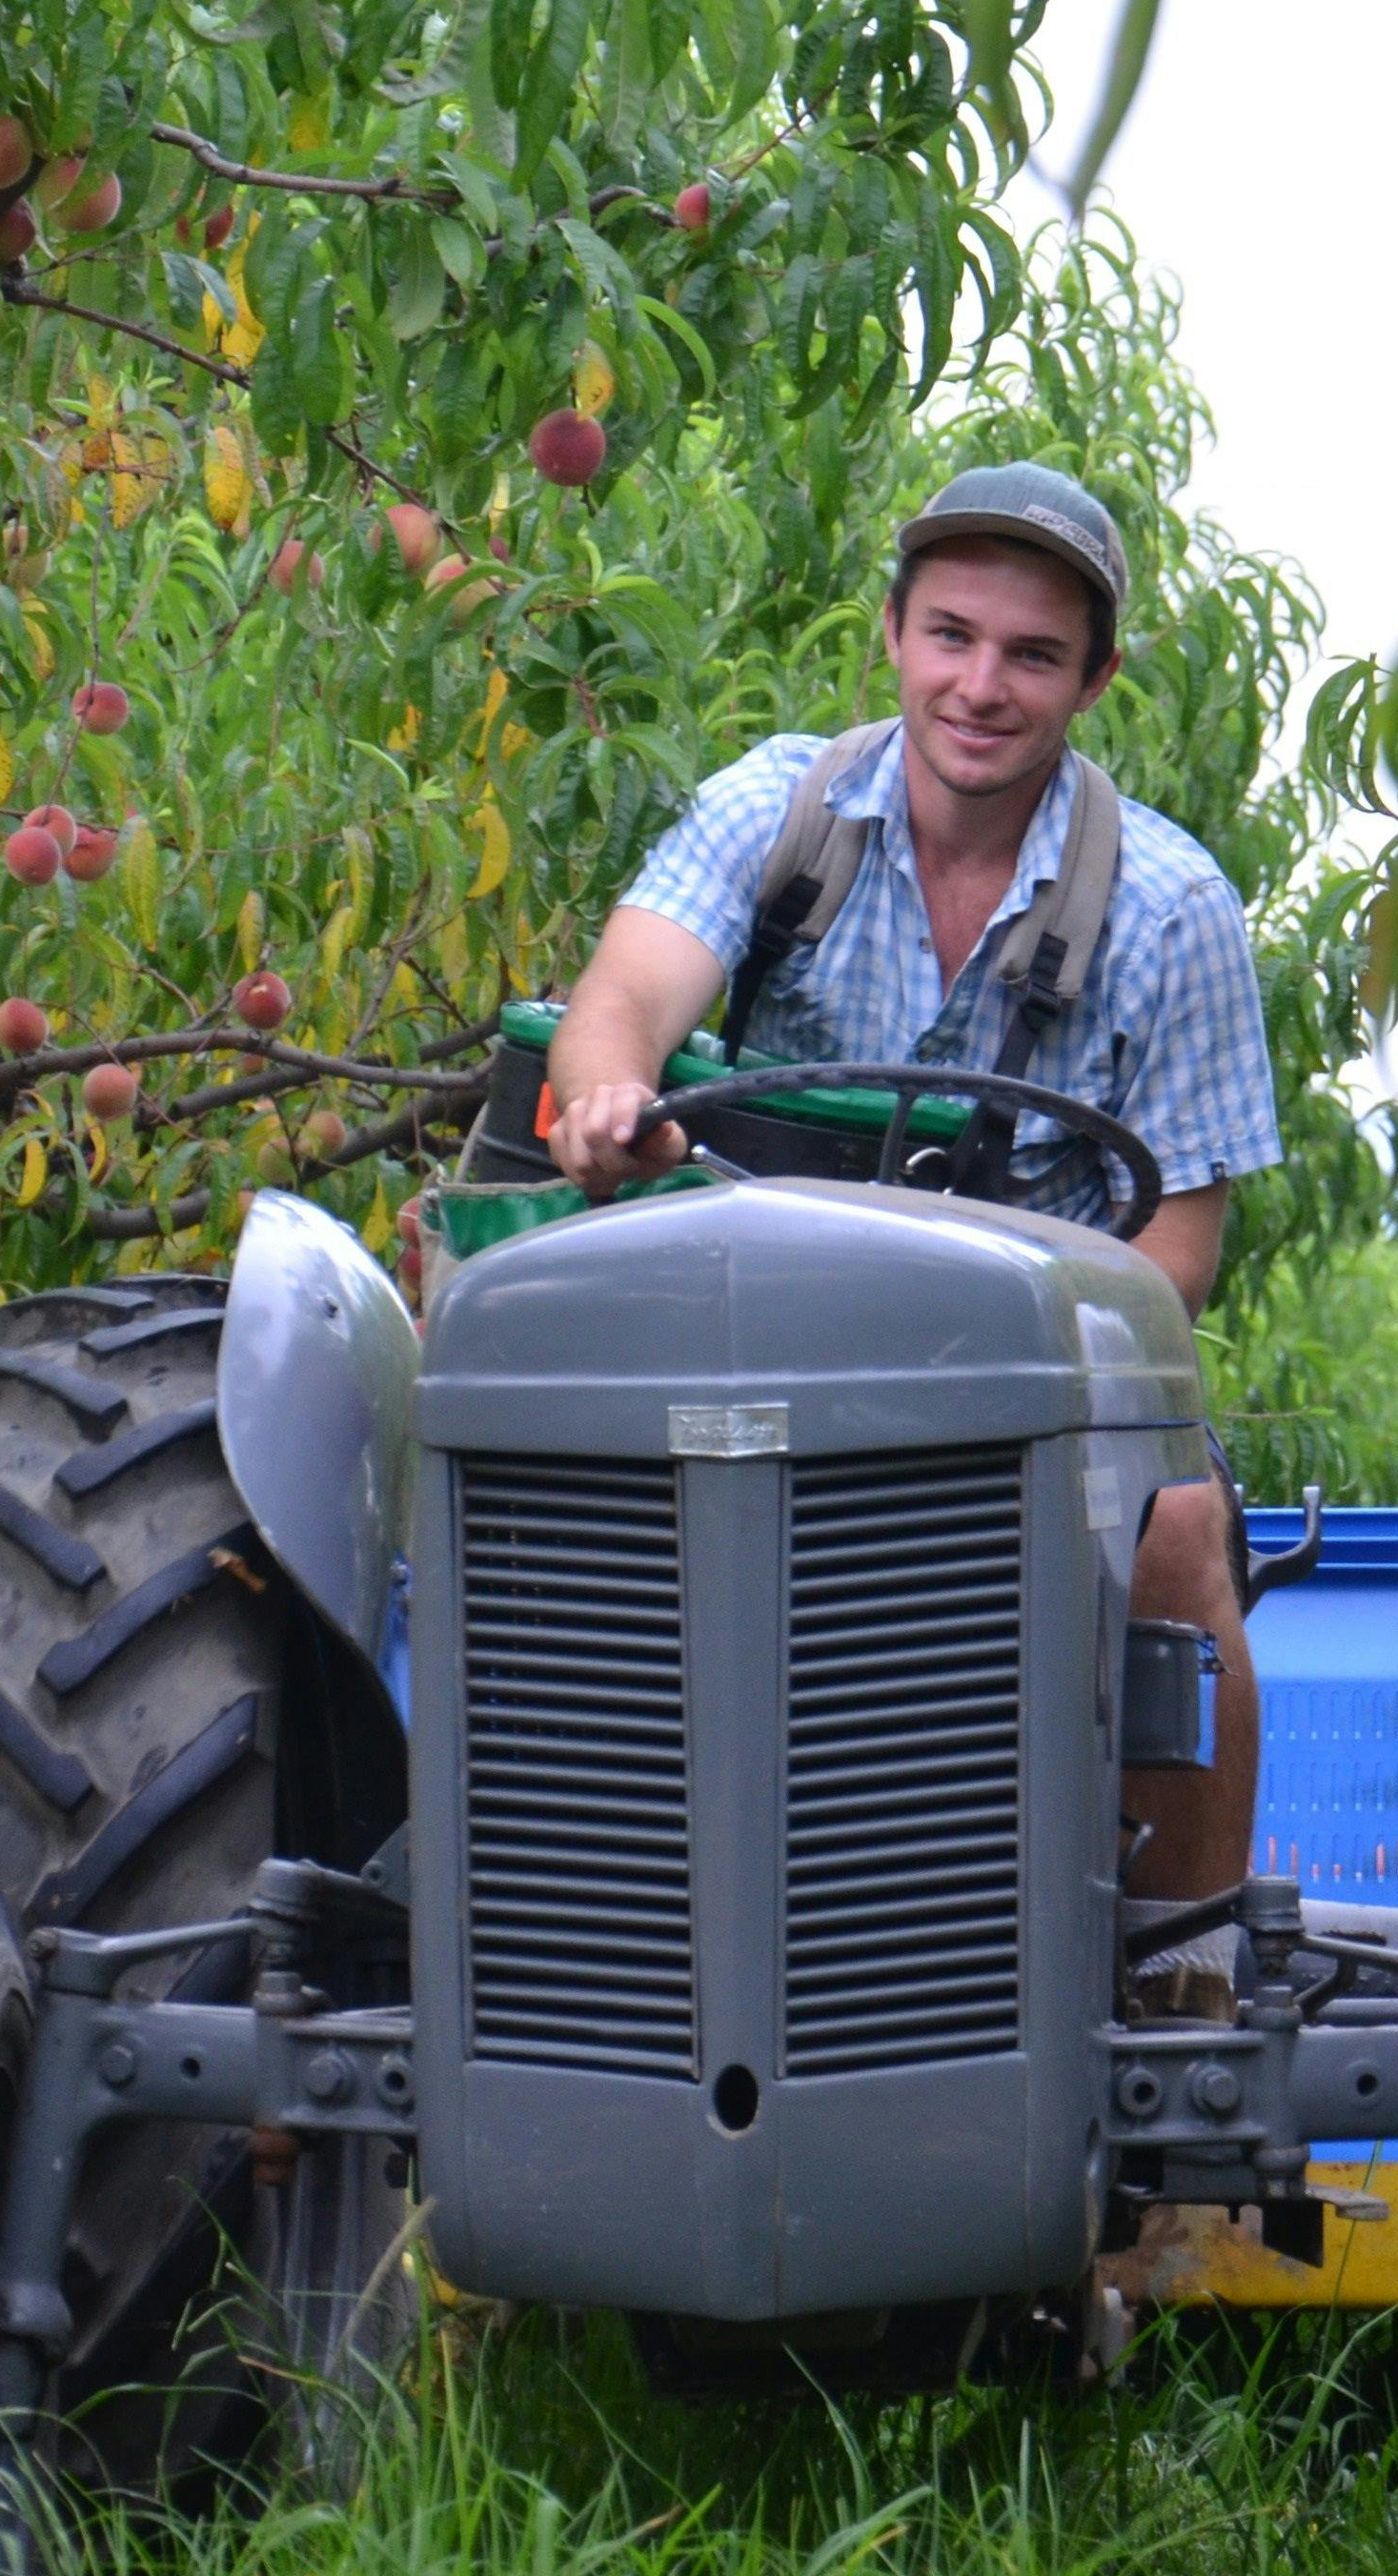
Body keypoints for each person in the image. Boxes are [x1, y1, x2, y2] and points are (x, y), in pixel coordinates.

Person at [545, 462, 1282, 1902]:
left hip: (1032, 1403)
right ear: (890, 634)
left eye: (1031, 655)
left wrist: (980, 1328)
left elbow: (1178, 1258)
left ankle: (1187, 1967)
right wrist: (613, 1098)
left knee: (1183, 1516)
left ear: (1095, 680)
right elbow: (618, 1004)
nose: (981, 685)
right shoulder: (780, 812)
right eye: (951, 635)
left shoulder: (1174, 911)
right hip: (742, 1348)